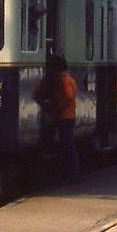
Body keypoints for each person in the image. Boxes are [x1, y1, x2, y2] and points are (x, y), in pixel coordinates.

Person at [34, 54, 80, 183]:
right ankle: (71, 175)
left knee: (62, 144)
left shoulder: (62, 80)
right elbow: (69, 97)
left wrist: (49, 107)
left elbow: (36, 94)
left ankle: (70, 175)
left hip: (62, 116)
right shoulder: (67, 79)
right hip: (66, 116)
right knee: (66, 145)